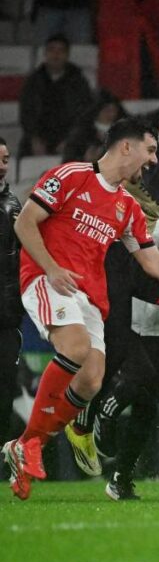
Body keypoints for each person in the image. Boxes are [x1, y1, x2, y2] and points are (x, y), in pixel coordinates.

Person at [2, 119, 159, 500]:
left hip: (88, 296)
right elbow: (26, 223)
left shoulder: (127, 207)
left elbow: (153, 264)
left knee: (91, 381)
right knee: (74, 349)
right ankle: (33, 445)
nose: (154, 161)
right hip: (48, 279)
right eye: (151, 150)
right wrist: (52, 268)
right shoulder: (71, 175)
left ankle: (24, 443)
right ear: (126, 147)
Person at [18, 33, 95, 156]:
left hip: (70, 136)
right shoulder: (33, 81)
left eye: (61, 51)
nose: (56, 55)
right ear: (45, 53)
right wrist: (34, 139)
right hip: (39, 136)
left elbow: (84, 115)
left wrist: (70, 140)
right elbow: (26, 113)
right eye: (52, 50)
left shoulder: (78, 82)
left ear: (67, 55)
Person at [0, 137, 22, 441]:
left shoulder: (14, 206)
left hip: (6, 316)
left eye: (5, 159)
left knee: (5, 388)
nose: (2, 166)